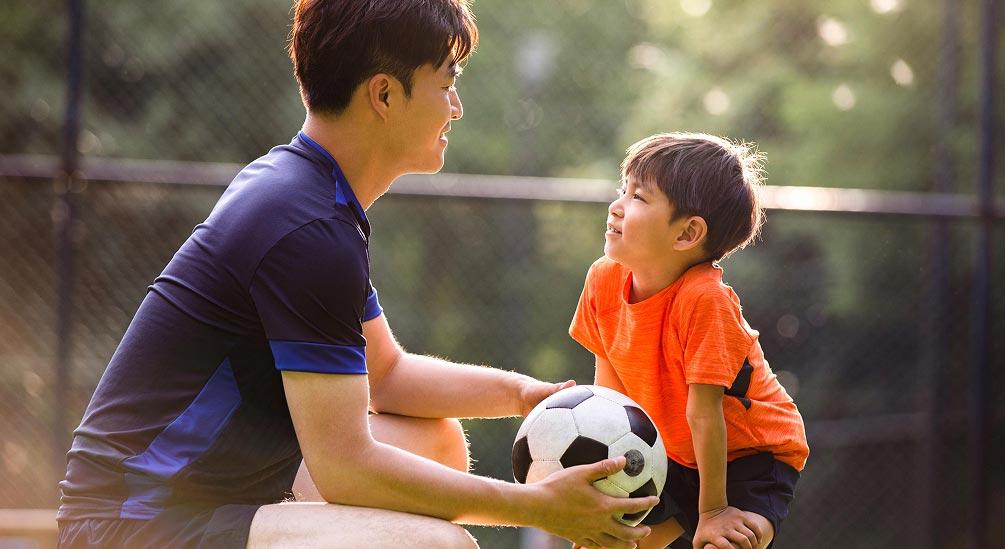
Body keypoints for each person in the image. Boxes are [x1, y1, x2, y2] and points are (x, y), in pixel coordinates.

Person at [56, 1, 660, 548]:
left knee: (437, 443)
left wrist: (524, 395)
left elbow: (387, 376)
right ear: (384, 95)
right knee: (437, 547)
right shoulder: (309, 229)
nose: (456, 107)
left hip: (201, 494)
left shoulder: (308, 194)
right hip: (131, 524)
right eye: (446, 84)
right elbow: (345, 467)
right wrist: (535, 507)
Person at [569, 133, 809, 549]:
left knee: (725, 543)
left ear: (687, 233)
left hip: (751, 457)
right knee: (606, 543)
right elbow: (612, 395)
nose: (617, 206)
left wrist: (713, 511)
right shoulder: (603, 279)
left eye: (638, 197)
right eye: (622, 190)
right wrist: (609, 477)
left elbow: (704, 413)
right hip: (676, 455)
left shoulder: (705, 300)